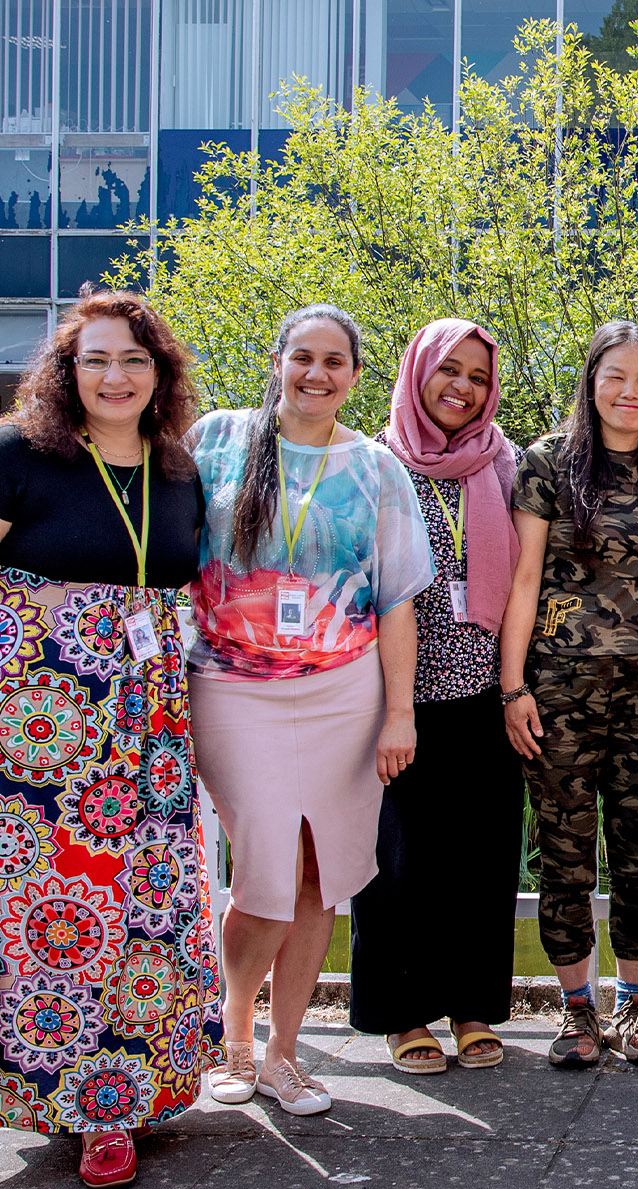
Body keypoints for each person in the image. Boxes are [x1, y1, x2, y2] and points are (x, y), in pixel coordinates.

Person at [0, 291, 221, 1188]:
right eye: (95, 359)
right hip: (47, 717)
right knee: (50, 905)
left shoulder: (177, 469)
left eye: (134, 359)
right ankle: (57, 1091)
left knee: (151, 901)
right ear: (66, 370)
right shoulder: (21, 453)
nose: (115, 375)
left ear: (159, 372)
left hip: (154, 713)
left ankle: (127, 1095)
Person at [189, 304, 433, 1116]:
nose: (316, 374)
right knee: (262, 868)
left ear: (356, 376)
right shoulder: (217, 440)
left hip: (342, 692)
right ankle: (231, 1036)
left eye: (335, 362)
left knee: (315, 873)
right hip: (234, 686)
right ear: (278, 358)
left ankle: (285, 1051)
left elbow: (398, 600)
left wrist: (400, 712)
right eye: (303, 356)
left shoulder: (376, 467)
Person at [500, 321, 638, 1069]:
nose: (630, 391)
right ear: (592, 378)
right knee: (567, 853)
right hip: (560, 684)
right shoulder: (548, 461)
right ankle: (576, 1007)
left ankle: (637, 1004)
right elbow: (523, 581)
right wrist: (512, 688)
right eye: (616, 375)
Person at [349, 319, 522, 1075]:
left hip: (485, 689)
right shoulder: (372, 460)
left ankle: (471, 1003)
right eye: (448, 371)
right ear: (416, 371)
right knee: (396, 863)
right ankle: (402, 1012)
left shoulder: (504, 461)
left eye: (478, 377)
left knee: (480, 857)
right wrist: (395, 707)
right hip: (395, 700)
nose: (462, 388)